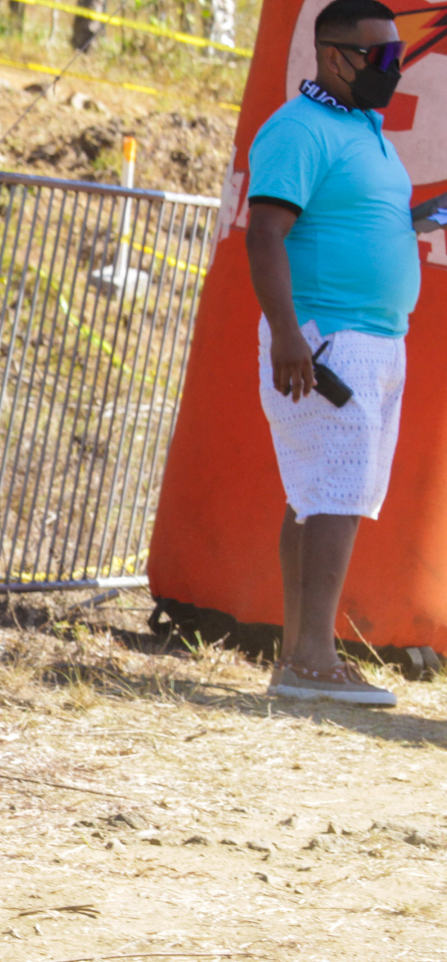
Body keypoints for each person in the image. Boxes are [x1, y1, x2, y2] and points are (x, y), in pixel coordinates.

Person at [246, 0, 445, 705]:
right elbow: (264, 233)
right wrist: (288, 335)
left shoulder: (362, 127)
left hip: (375, 338)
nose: (394, 69)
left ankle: (300, 657)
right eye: (381, 57)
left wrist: (411, 221)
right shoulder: (299, 128)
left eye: (398, 56)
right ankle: (312, 658)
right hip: (327, 336)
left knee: (319, 493)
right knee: (332, 495)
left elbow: (345, 217)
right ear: (333, 56)